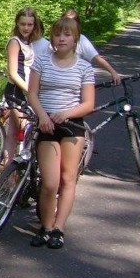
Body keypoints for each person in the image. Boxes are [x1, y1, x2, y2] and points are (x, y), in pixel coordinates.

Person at [26, 16, 95, 250]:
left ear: (75, 39)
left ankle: (59, 228)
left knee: (68, 179)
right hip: (47, 126)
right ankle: (45, 227)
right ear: (52, 38)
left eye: (67, 34)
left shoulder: (84, 67)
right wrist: (43, 116)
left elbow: (88, 104)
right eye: (57, 34)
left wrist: (66, 113)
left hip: (72, 126)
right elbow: (32, 93)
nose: (61, 38)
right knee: (50, 182)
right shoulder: (42, 62)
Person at [2, 7, 43, 164]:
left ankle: (10, 173)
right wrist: (30, 91)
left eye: (30, 24)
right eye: (23, 24)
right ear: (17, 24)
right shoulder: (15, 42)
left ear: (34, 25)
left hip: (27, 91)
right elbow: (13, 72)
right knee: (26, 130)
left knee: (13, 132)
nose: (26, 28)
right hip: (16, 91)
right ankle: (16, 171)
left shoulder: (30, 43)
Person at [64, 9, 121, 85]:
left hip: (75, 82)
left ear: (77, 24)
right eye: (66, 20)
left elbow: (96, 58)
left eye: (72, 21)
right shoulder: (56, 38)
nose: (69, 23)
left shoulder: (81, 39)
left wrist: (113, 72)